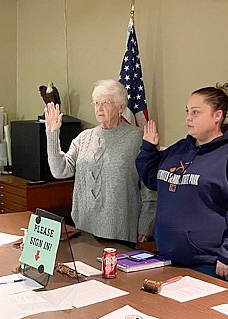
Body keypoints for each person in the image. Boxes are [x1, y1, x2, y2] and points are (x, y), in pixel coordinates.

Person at [135, 83, 228, 286]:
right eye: (187, 111)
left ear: (217, 116)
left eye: (196, 112)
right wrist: (149, 149)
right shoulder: (179, 149)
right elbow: (152, 180)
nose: (188, 118)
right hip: (169, 257)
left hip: (211, 264)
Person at [44, 79, 155, 246]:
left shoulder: (136, 138)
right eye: (96, 103)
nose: (99, 108)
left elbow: (149, 187)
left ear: (121, 107)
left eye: (105, 103)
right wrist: (52, 133)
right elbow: (60, 171)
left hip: (120, 231)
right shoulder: (84, 137)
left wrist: (145, 224)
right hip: (83, 229)